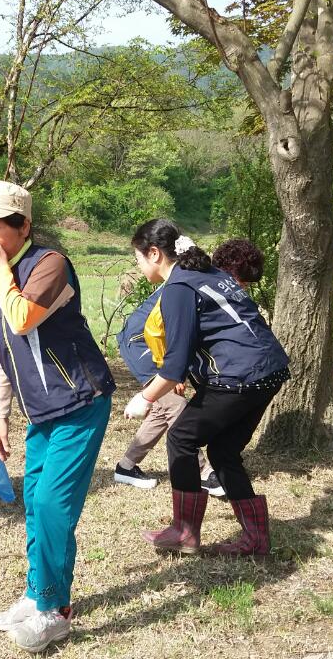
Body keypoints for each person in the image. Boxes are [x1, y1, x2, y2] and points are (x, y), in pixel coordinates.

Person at [0, 180, 116, 653]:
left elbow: (22, 319)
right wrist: (1, 417)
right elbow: (1, 351)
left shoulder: (49, 264)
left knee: (53, 504)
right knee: (34, 500)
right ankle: (38, 595)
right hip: (40, 412)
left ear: (23, 227)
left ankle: (53, 611)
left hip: (79, 402)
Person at [125, 219, 290, 556]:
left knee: (181, 437)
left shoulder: (178, 287)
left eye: (138, 258)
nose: (139, 266)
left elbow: (174, 364)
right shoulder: (206, 273)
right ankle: (256, 539)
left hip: (240, 376)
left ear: (154, 253)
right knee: (223, 451)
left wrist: (145, 397)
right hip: (269, 369)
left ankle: (185, 532)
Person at [112, 284, 220, 496]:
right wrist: (171, 370)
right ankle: (202, 472)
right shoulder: (191, 283)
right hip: (142, 340)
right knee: (176, 404)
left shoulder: (205, 283)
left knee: (162, 408)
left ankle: (126, 466)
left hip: (156, 341)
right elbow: (164, 329)